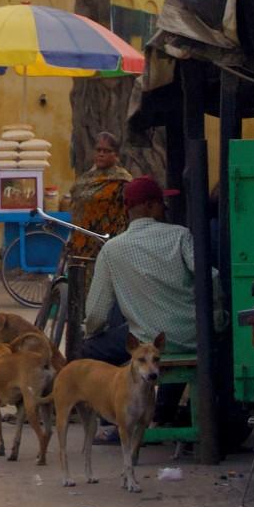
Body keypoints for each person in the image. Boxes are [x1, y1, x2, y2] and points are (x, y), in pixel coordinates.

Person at [79, 176, 206, 365]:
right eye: (162, 203)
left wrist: (90, 333)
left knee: (86, 349)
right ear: (150, 206)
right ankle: (166, 396)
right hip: (192, 338)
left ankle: (118, 392)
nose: (165, 208)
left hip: (147, 341)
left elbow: (97, 315)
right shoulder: (181, 235)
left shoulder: (111, 249)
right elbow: (209, 278)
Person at [67, 130, 135, 245]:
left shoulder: (122, 180)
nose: (101, 154)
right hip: (81, 241)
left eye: (107, 151)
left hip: (109, 242)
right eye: (98, 150)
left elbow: (129, 213)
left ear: (116, 155)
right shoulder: (84, 179)